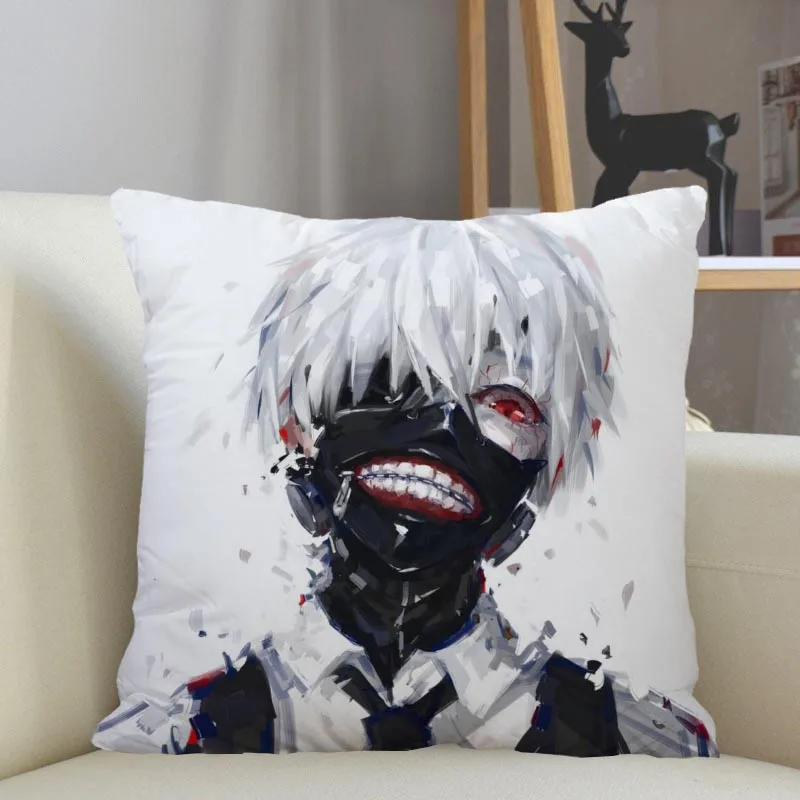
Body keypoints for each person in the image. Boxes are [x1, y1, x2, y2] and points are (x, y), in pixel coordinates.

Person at [94, 216, 715, 757]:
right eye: (388, 375)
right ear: (301, 435)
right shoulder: (183, 731)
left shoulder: (633, 733)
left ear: (542, 470)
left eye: (506, 401)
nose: (442, 424)